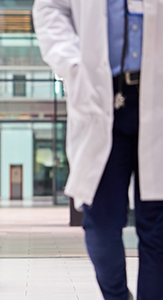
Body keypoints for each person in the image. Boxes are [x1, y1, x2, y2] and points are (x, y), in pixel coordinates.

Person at [33, 1, 163, 300]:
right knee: (101, 223)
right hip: (100, 96)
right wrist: (72, 64)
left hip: (156, 96)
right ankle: (117, 296)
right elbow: (50, 8)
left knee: (157, 226)